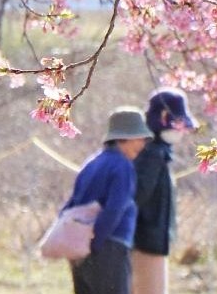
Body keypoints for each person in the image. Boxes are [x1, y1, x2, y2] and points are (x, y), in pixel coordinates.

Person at [63, 106, 153, 294]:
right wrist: (94, 243)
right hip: (109, 248)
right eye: (140, 138)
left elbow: (70, 206)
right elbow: (115, 208)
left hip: (79, 250)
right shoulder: (123, 166)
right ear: (125, 137)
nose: (143, 144)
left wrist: (77, 244)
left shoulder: (91, 164)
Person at [132, 88, 199, 294]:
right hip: (145, 241)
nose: (181, 131)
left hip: (152, 241)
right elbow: (138, 197)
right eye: (177, 124)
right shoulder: (152, 155)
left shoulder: (158, 152)